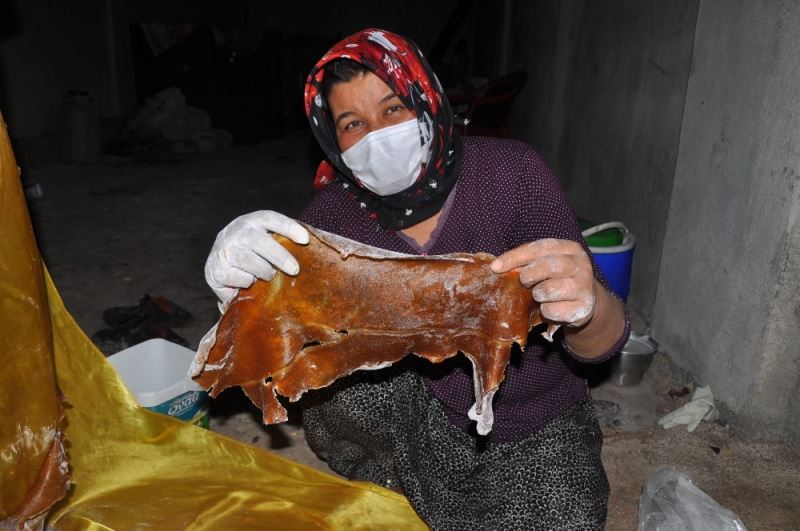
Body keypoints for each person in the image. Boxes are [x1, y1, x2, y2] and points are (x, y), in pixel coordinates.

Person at [203, 28, 629, 530]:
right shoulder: (330, 219)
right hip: (420, 405)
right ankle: (405, 476)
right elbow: (284, 348)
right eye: (352, 123)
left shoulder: (513, 174)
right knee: (328, 385)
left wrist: (589, 306)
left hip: (530, 414)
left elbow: (602, 342)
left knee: (562, 519)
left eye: (392, 109)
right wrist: (242, 296)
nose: (377, 137)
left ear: (427, 100)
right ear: (329, 138)